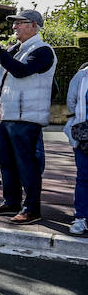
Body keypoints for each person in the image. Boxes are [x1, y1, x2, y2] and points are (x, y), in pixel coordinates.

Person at [0, 10, 58, 225]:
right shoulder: (15, 49)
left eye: (19, 23)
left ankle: (32, 209)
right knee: (7, 163)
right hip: (7, 115)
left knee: (26, 164)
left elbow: (21, 71)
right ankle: (11, 202)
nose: (14, 27)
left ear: (34, 25)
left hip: (26, 117)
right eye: (14, 23)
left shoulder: (43, 50)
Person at [64, 62, 88, 235]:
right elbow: (71, 103)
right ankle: (81, 217)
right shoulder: (82, 76)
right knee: (84, 176)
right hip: (84, 133)